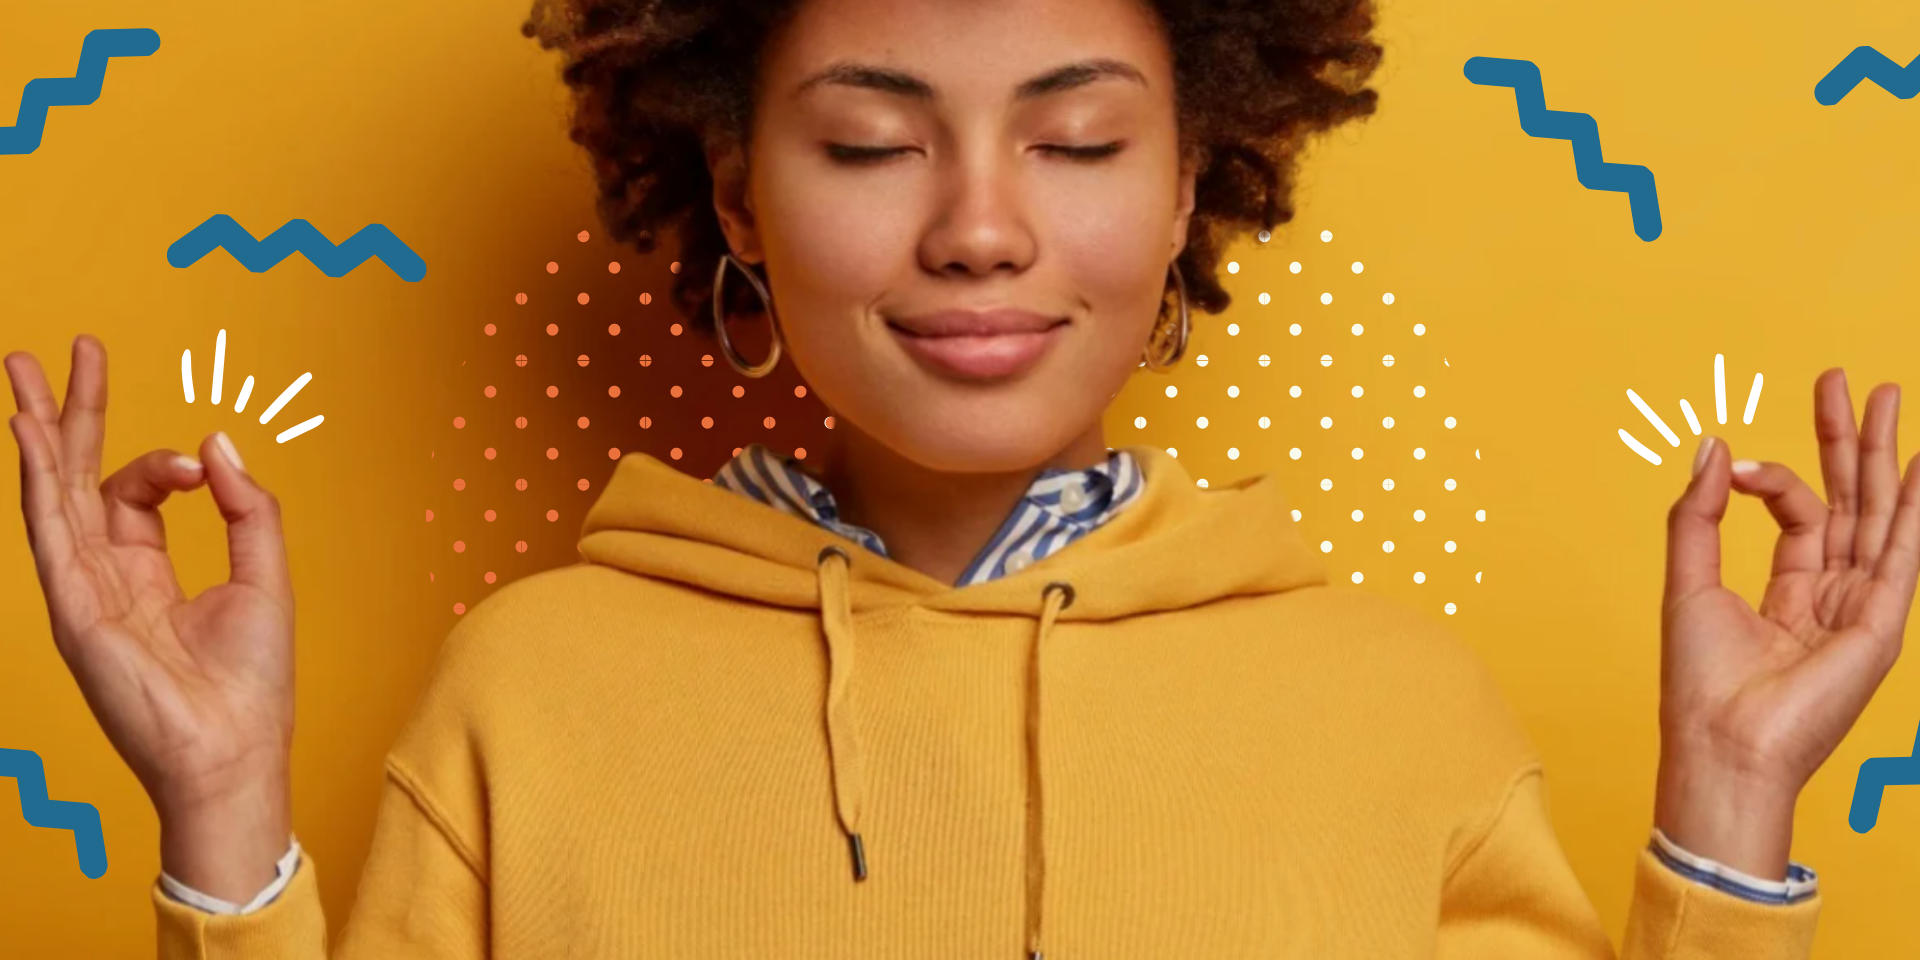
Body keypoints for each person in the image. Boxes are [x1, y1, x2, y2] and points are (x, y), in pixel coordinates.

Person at [6, 0, 1919, 956]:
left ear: (1188, 186)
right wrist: (224, 820)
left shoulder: (1401, 706)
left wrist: (1733, 812)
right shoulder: (529, 687)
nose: (983, 230)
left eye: (1078, 136)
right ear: (739, 189)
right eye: (871, 143)